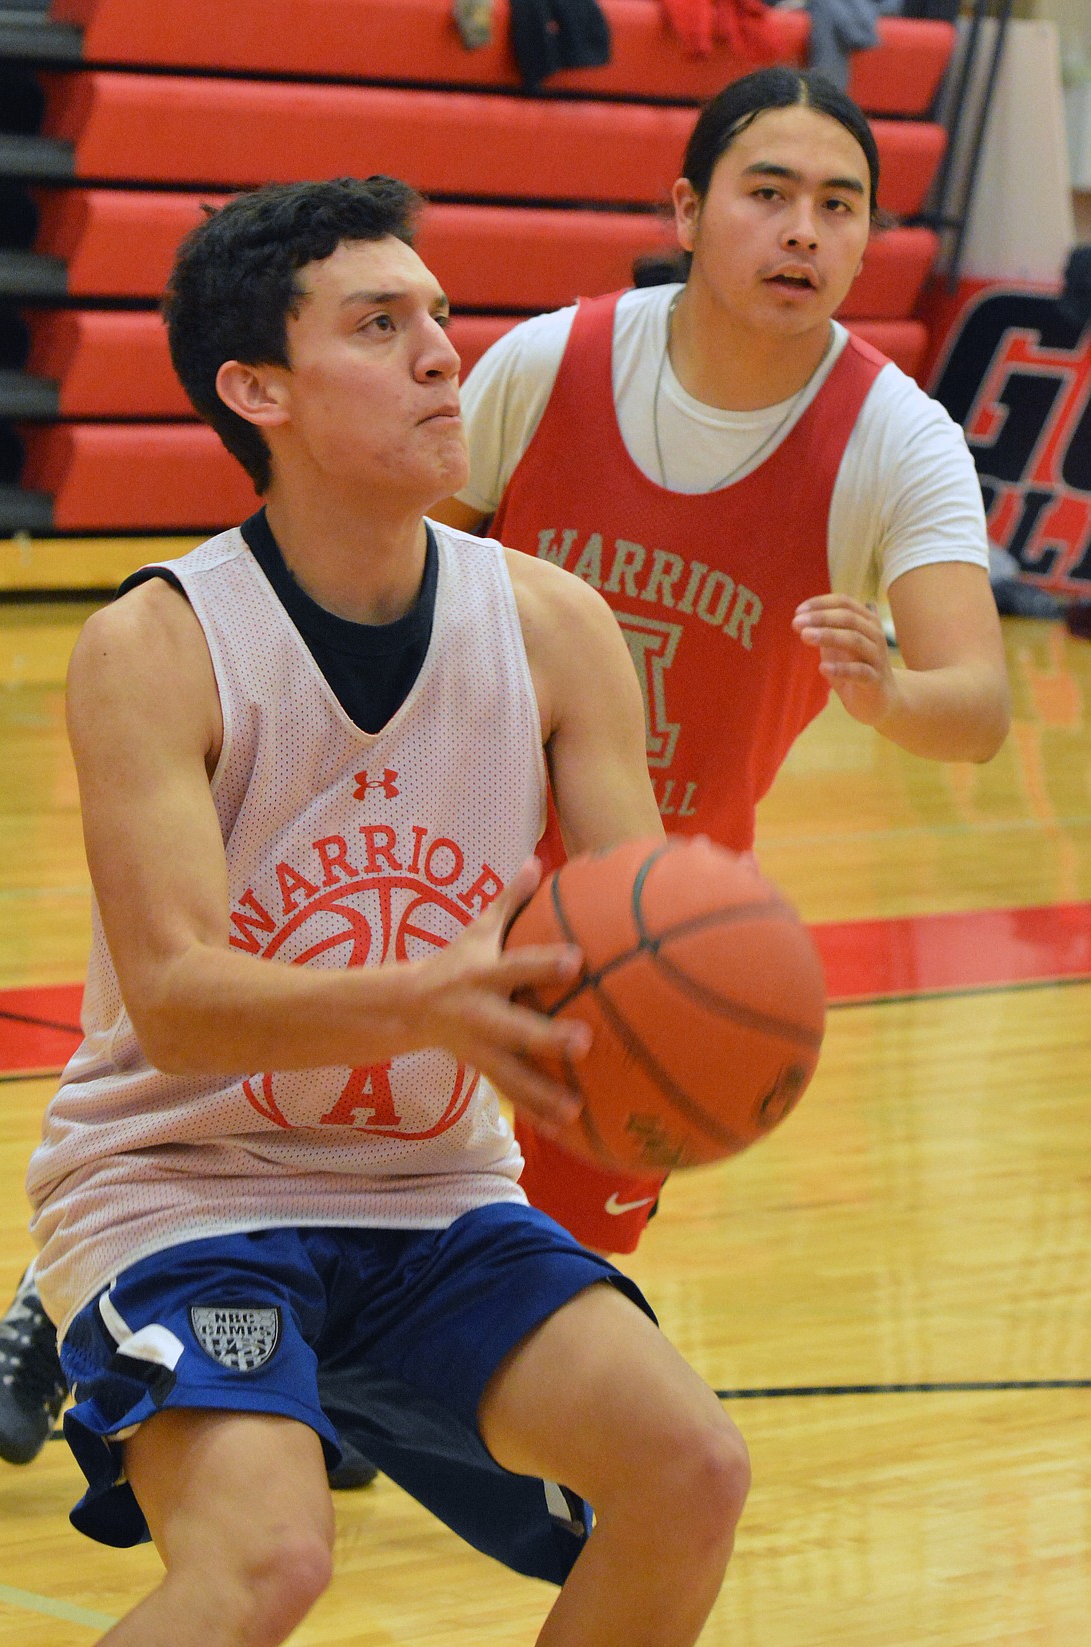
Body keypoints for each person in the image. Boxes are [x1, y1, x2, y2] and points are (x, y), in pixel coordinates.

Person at [0, 177, 751, 1647]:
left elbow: (627, 918)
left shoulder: (548, 628)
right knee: (263, 1559)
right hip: (182, 1186)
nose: (440, 352)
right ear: (259, 387)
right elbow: (173, 990)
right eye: (378, 325)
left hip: (429, 1187)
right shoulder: (155, 644)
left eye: (439, 313)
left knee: (691, 1469)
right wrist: (440, 991)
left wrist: (675, 1025)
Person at [432, 63, 1012, 1256]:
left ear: (864, 241)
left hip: (655, 913)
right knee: (280, 1133)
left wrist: (894, 693)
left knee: (557, 1267)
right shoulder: (547, 365)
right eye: (769, 192)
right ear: (688, 212)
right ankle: (73, 1293)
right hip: (446, 846)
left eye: (841, 205)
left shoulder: (902, 440)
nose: (804, 231)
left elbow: (980, 707)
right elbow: (392, 584)